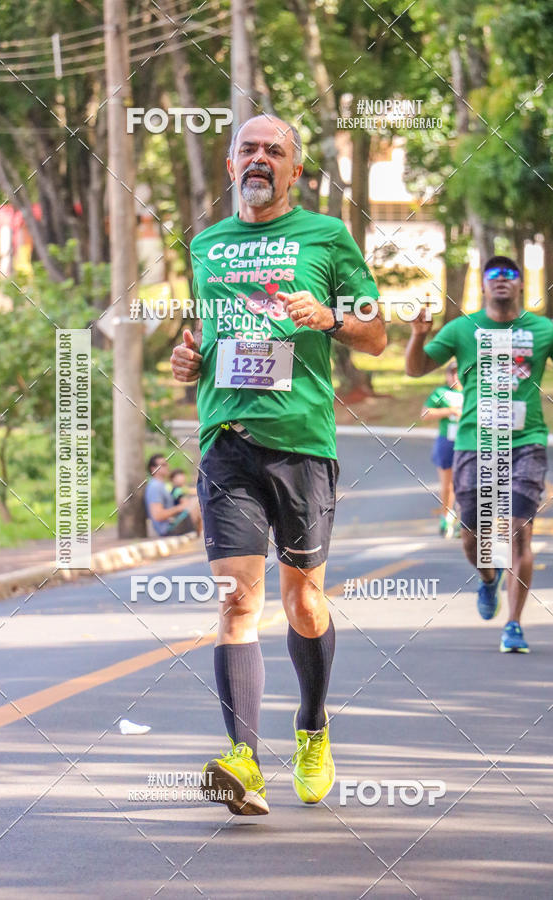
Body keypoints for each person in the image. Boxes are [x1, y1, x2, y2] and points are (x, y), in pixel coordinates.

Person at [170, 114, 387, 815]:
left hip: (302, 443)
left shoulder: (328, 237)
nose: (260, 159)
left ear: (295, 171)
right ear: (230, 166)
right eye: (248, 149)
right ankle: (244, 759)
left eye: (275, 150)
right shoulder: (206, 244)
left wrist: (327, 318)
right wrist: (188, 358)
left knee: (303, 600)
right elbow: (203, 335)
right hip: (227, 440)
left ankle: (314, 727)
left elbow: (376, 333)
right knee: (238, 598)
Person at [406, 255, 553, 653]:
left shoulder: (542, 329)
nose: (501, 280)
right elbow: (416, 370)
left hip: (526, 442)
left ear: (520, 284)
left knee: (520, 530)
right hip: (474, 442)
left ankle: (514, 625)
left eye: (510, 274)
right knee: (473, 539)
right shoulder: (462, 328)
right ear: (484, 286)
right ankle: (489, 579)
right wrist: (418, 336)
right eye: (494, 275)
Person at [421, 361, 463, 537]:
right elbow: (425, 413)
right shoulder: (441, 393)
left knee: (467, 483)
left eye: (457, 373)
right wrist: (449, 411)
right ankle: (446, 516)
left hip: (468, 441)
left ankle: (464, 519)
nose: (454, 376)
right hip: (447, 441)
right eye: (451, 373)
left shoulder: (472, 391)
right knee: (448, 485)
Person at [144, 455, 201, 537]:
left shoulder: (163, 485)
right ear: (153, 469)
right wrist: (181, 507)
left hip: (173, 523)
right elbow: (157, 516)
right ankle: (203, 537)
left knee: (196, 501)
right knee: (197, 502)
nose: (167, 466)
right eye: (163, 465)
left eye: (166, 464)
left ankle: (199, 535)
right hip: (167, 529)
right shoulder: (155, 486)